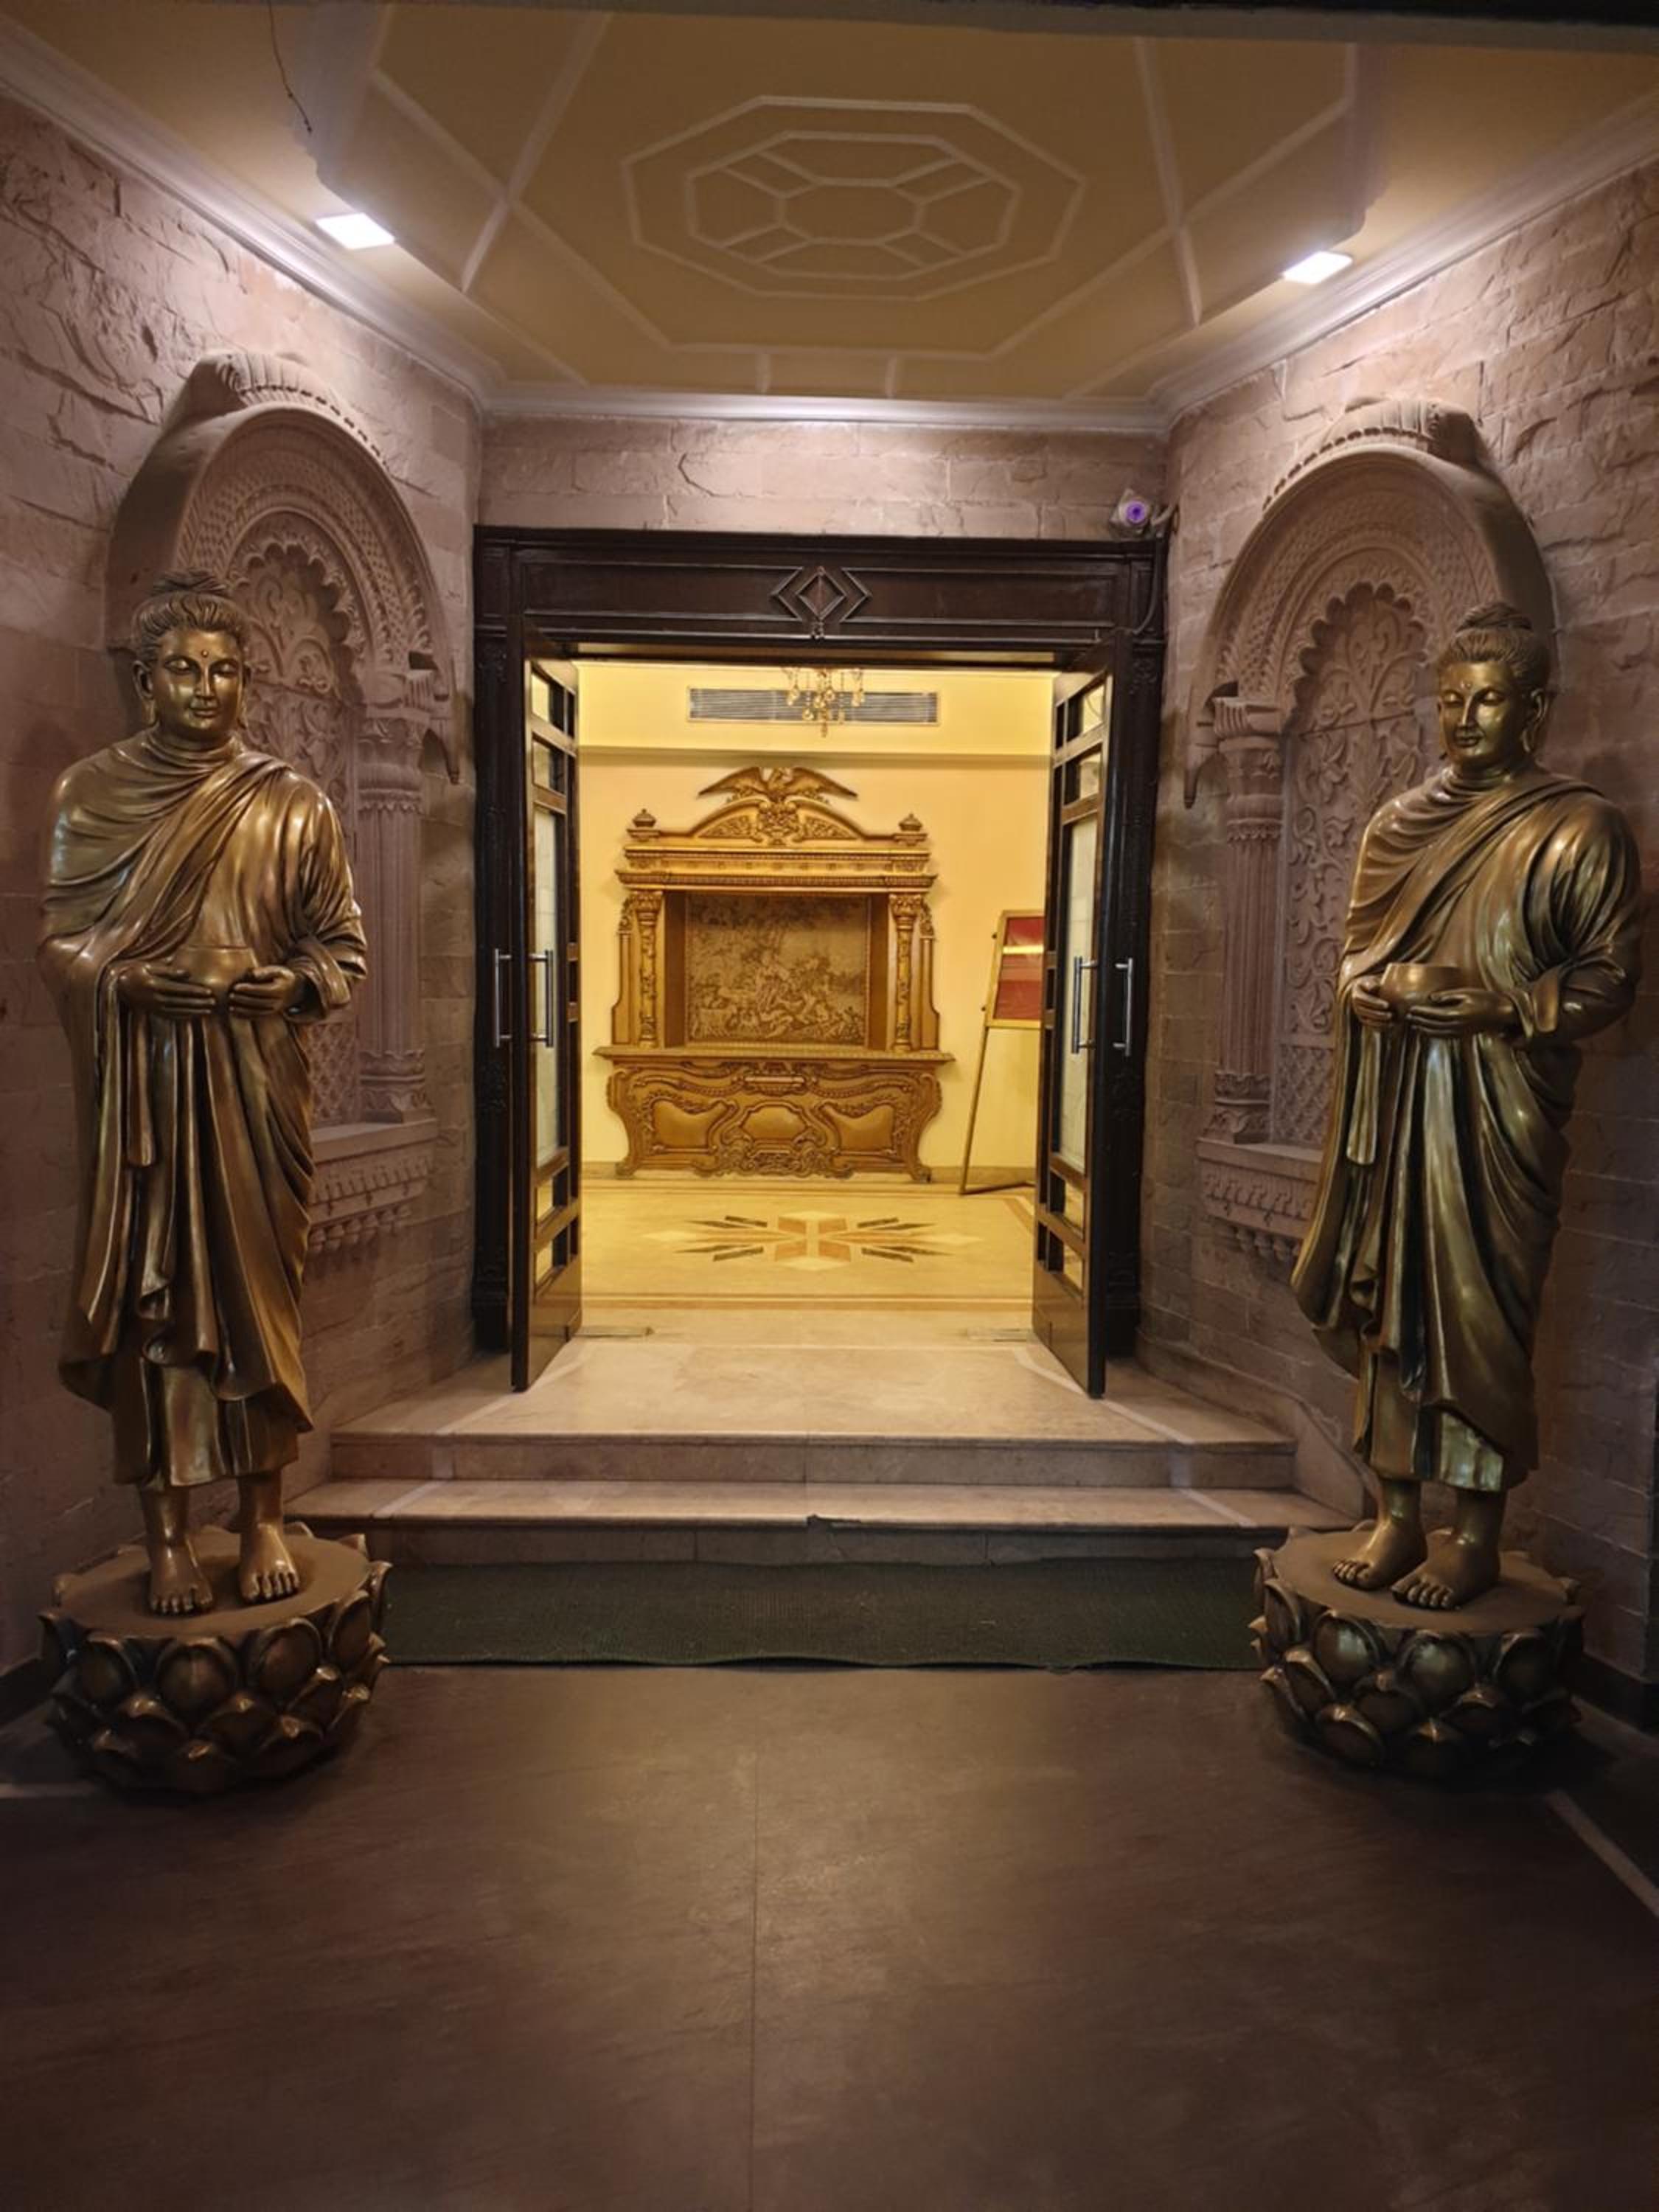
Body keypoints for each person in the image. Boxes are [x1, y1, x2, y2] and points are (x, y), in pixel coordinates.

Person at [1290, 602, 1641, 1610]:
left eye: (1488, 701)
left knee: (1480, 1316)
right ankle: (1396, 1513)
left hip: (1495, 1110)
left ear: (1534, 709)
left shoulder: (1577, 829)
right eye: (1450, 700)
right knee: (1389, 1311)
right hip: (1396, 1101)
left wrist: (1503, 1007)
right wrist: (1363, 992)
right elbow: (1354, 955)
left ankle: (1476, 1532)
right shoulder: (1396, 826)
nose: (1466, 719)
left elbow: (1609, 976)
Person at [39, 572, 366, 1615]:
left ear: (247, 682)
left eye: (225, 671)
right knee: (160, 1305)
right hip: (144, 1093)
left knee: (257, 1303)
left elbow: (341, 947)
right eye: (183, 669)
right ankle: (169, 1534)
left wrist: (294, 984)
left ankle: (265, 1514)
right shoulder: (90, 795)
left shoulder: (292, 801)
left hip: (253, 1083)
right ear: (146, 682)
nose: (205, 688)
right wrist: (125, 981)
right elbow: (59, 945)